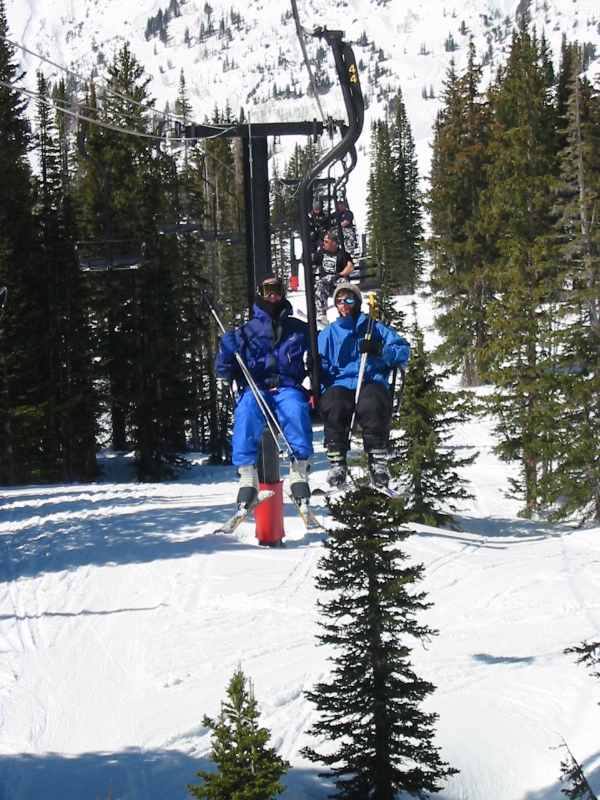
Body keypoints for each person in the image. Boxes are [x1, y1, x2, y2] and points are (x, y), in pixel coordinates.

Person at [215, 275, 313, 508]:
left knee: (296, 409)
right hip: (256, 387)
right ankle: (247, 472)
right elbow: (222, 370)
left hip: (287, 387)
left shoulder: (298, 329)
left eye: (276, 289)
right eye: (267, 290)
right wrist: (226, 353)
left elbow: (319, 357)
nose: (272, 295)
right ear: (259, 293)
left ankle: (299, 467)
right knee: (247, 411)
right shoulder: (246, 332)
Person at [317, 282, 410, 488]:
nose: (344, 305)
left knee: (373, 402)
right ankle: (337, 461)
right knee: (334, 404)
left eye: (349, 300)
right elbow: (321, 362)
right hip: (340, 382)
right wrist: (314, 365)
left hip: (370, 378)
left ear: (357, 302)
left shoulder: (373, 327)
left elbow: (404, 352)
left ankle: (377, 460)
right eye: (339, 301)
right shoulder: (330, 333)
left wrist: (380, 350)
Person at [311, 230, 354, 328]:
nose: (324, 244)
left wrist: (340, 275)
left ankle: (346, 314)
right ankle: (322, 315)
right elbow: (313, 265)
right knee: (319, 286)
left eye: (326, 242)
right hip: (326, 282)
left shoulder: (343, 254)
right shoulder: (320, 253)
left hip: (339, 279)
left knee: (345, 287)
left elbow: (350, 267)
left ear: (333, 243)